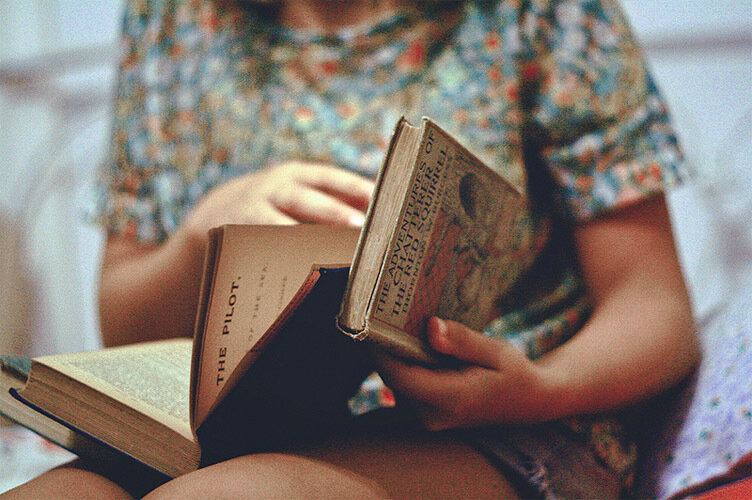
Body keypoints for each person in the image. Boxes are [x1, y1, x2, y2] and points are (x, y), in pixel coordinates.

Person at [3, 0, 699, 498]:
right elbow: (123, 329)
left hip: (513, 428)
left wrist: (538, 390)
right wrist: (198, 238)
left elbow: (657, 311)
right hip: (248, 425)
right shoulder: (171, 18)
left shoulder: (538, 14)